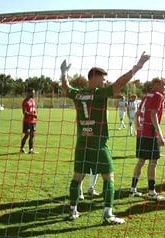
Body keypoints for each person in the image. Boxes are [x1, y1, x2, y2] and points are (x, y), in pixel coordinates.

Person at [60, 52, 150, 224]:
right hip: (99, 143)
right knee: (109, 177)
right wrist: (138, 66)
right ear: (93, 78)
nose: (105, 82)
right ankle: (108, 214)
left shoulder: (78, 94)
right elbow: (121, 82)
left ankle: (73, 210)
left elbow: (65, 88)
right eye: (103, 79)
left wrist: (64, 73)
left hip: (82, 143)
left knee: (77, 176)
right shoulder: (99, 93)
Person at [130, 77, 165, 201]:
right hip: (150, 133)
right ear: (156, 84)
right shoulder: (158, 96)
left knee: (141, 161)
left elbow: (136, 114)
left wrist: (137, 128)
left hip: (142, 133)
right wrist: (160, 134)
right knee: (153, 162)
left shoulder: (146, 96)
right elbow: (153, 114)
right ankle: (152, 192)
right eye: (164, 84)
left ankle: (133, 189)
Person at [20, 88, 37, 154]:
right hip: (27, 121)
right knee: (27, 135)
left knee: (32, 135)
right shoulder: (25, 101)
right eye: (32, 92)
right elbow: (24, 112)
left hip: (33, 121)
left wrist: (35, 113)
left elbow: (34, 109)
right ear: (28, 93)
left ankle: (31, 150)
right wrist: (32, 115)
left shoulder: (33, 100)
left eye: (34, 92)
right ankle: (21, 148)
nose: (33, 94)